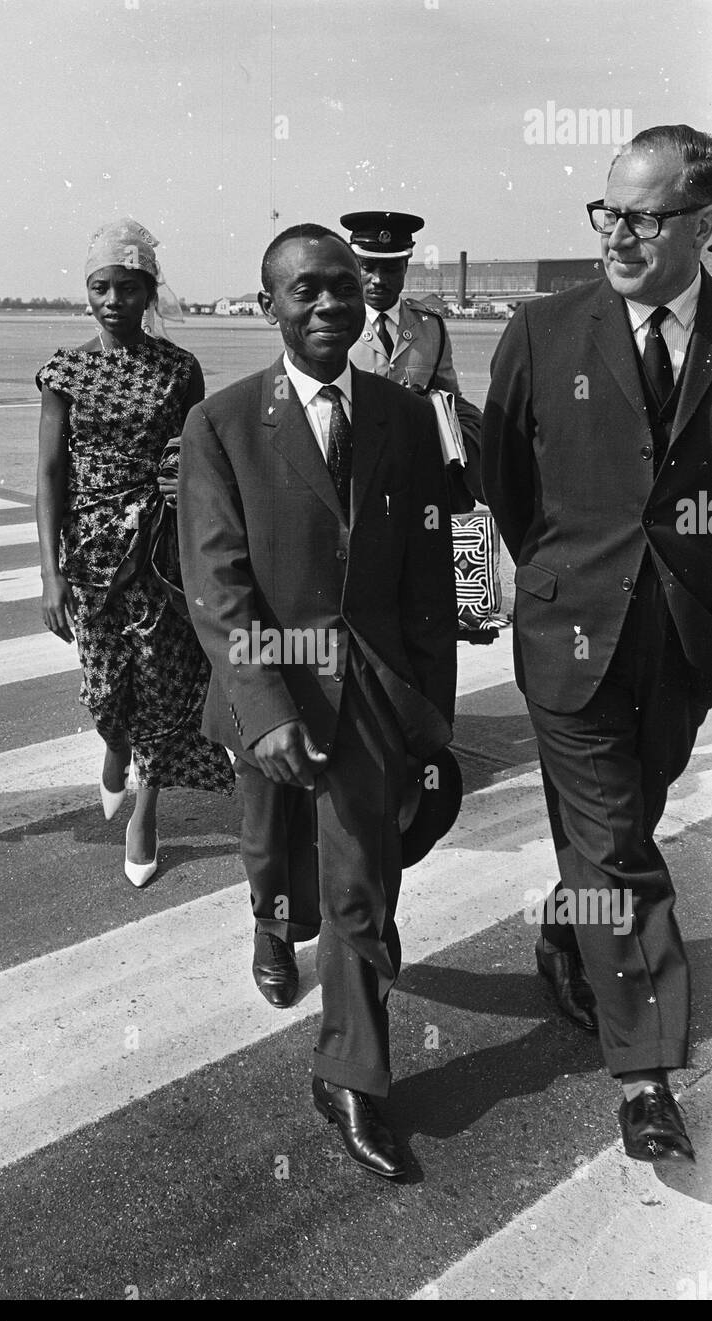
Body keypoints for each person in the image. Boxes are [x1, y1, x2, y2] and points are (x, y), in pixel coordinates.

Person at [178, 224, 457, 1178]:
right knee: (274, 853)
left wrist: (430, 715)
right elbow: (216, 584)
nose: (331, 302)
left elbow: (427, 572)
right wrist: (269, 710)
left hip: (373, 687)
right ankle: (267, 914)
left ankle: (350, 1075)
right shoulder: (218, 427)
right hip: (271, 682)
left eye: (343, 285)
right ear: (272, 308)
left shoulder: (402, 415)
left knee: (361, 889)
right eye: (306, 290)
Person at [482, 125, 712, 1165]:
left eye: (641, 216)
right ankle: (646, 1072)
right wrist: (559, 573)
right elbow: (504, 483)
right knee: (617, 843)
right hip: (567, 625)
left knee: (625, 816)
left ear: (700, 225)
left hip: (683, 640)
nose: (615, 234)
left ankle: (565, 930)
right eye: (604, 211)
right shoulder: (541, 332)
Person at [36, 218, 232, 885]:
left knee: (160, 683)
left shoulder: (179, 370)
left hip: (157, 552)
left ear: (149, 291)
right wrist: (50, 577)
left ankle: (144, 810)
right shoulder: (66, 369)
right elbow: (48, 477)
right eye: (100, 287)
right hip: (86, 557)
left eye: (127, 287)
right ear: (86, 292)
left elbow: (194, 463)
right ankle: (113, 747)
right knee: (101, 690)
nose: (113, 300)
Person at [342, 209, 483, 510]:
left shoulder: (430, 326)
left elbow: (450, 399)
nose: (378, 279)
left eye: (391, 268)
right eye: (368, 266)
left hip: (416, 472)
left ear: (406, 267)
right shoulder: (336, 324)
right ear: (354, 265)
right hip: (356, 475)